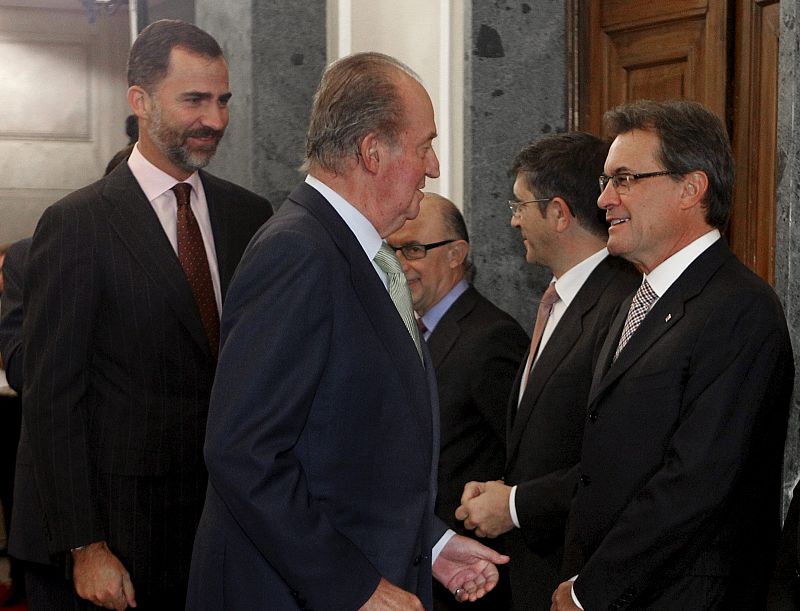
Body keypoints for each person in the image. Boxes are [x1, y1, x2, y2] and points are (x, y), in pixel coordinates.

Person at [187, 51, 508, 610]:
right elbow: (244, 452)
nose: (433, 166)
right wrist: (354, 587)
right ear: (372, 151)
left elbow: (346, 451)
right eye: (424, 145)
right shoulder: (299, 251)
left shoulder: (354, 250)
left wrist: (428, 544)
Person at [15, 19, 272, 610]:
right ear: (140, 101)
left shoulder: (248, 215)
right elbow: (53, 398)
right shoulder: (78, 224)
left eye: (223, 100)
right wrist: (86, 545)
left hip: (219, 525)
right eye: (195, 100)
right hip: (119, 537)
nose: (215, 119)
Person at [551, 99, 794, 610]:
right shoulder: (635, 298)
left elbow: (696, 483)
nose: (604, 200)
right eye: (605, 181)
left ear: (691, 188)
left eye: (623, 179)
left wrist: (590, 593)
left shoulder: (739, 308)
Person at [454, 132, 640, 609]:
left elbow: (620, 462)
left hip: (582, 577)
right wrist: (503, 492)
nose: (513, 219)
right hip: (539, 572)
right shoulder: (563, 296)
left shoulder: (622, 303)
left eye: (520, 205)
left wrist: (515, 507)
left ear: (558, 213)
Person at [387, 193, 528, 610]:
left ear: (455, 255)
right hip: (413, 568)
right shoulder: (403, 331)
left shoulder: (491, 337)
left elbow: (522, 457)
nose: (399, 264)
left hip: (469, 579)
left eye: (412, 249)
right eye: (391, 250)